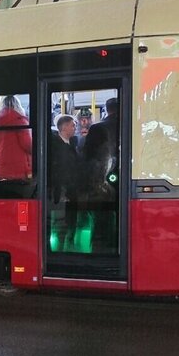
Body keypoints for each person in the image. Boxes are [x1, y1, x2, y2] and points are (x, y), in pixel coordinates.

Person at [80, 97, 121, 250]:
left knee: (101, 217)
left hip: (102, 179)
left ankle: (101, 247)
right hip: (123, 179)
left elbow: (88, 157)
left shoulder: (98, 128)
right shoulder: (130, 124)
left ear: (107, 109)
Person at [49, 114, 82, 249]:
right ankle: (61, 246)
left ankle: (69, 242)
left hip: (72, 189)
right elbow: (59, 170)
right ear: (63, 128)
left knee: (71, 219)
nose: (75, 128)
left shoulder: (73, 143)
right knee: (62, 221)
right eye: (72, 125)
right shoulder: (56, 146)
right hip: (62, 191)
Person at [0, 95, 32, 180]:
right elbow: (28, 145)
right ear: (18, 106)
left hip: (1, 170)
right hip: (20, 171)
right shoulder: (20, 121)